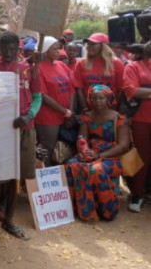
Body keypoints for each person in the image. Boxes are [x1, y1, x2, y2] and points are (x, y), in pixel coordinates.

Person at [0, 31, 42, 248]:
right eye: (4, 49)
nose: (7, 53)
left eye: (12, 49)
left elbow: (37, 97)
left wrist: (29, 115)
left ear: (18, 49)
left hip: (25, 127)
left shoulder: (29, 68)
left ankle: (9, 220)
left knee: (16, 177)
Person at [65, 85, 129, 221]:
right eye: (94, 98)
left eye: (101, 98)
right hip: (91, 152)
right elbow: (82, 138)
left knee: (96, 170)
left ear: (108, 99)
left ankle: (107, 210)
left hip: (111, 156)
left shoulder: (119, 118)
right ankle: (76, 208)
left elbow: (123, 146)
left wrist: (99, 156)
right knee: (71, 165)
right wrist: (84, 151)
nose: (97, 101)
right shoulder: (87, 116)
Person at [35, 36, 75, 166]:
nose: (59, 51)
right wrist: (65, 112)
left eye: (59, 48)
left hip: (66, 114)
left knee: (64, 150)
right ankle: (47, 182)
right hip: (47, 118)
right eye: (55, 49)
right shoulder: (38, 68)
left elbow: (71, 89)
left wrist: (71, 112)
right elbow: (43, 96)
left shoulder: (62, 65)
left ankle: (62, 180)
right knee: (48, 150)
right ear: (45, 51)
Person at [122, 41, 151, 212]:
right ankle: (137, 194)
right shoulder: (134, 66)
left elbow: (140, 91)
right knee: (142, 157)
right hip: (141, 119)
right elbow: (131, 91)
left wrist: (146, 91)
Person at [72, 33, 125, 111]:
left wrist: (113, 109)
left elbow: (121, 89)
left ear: (103, 46)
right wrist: (85, 109)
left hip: (110, 110)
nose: (89, 46)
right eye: (88, 44)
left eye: (93, 44)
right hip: (89, 111)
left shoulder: (117, 63)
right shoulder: (81, 64)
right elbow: (79, 89)